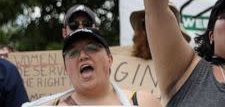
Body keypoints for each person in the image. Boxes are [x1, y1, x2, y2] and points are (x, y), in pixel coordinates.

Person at [24, 28, 160, 106]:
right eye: (73, 52)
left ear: (109, 59)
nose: (82, 56)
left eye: (91, 48)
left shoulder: (143, 102)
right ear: (66, 68)